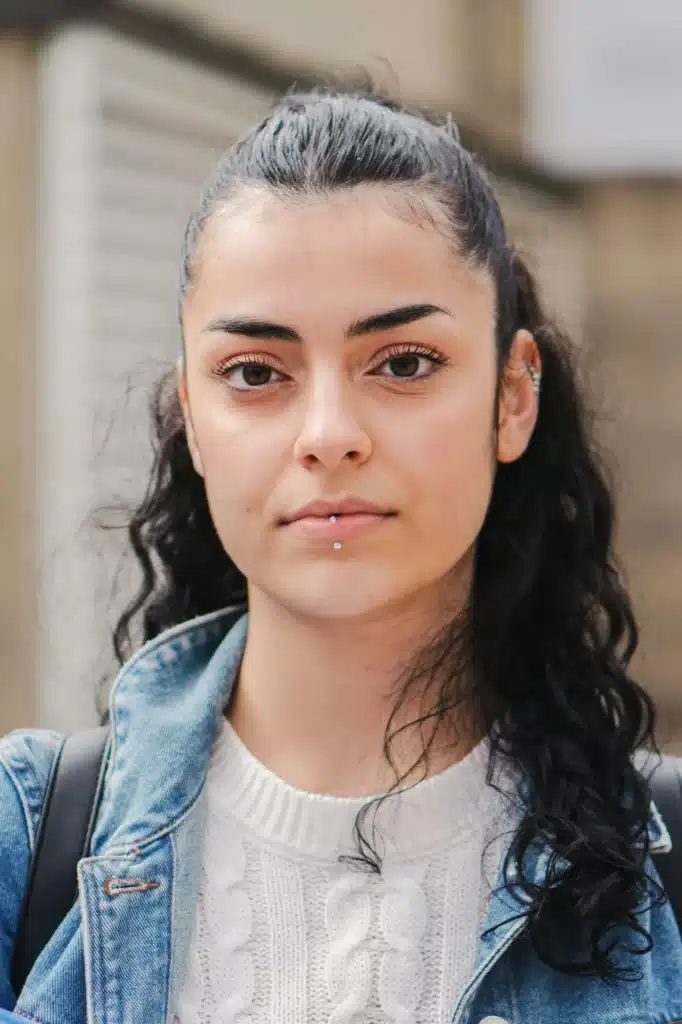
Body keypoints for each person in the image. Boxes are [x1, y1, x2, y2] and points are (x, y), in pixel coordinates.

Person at [0, 88, 680, 1024]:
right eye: (255, 374)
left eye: (403, 363)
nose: (328, 435)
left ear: (514, 397)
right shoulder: (24, 845)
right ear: (193, 417)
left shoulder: (668, 866)